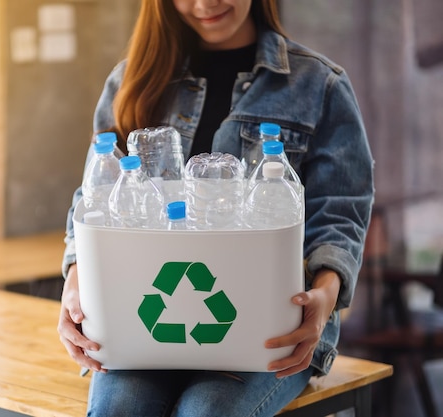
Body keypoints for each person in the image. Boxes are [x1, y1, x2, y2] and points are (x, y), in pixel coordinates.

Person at [58, 0, 375, 415]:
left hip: (271, 331)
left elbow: (340, 211)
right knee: (120, 407)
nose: (206, 4)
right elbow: (92, 202)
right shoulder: (132, 80)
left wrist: (326, 296)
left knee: (206, 411)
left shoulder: (319, 84)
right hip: (142, 329)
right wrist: (76, 289)